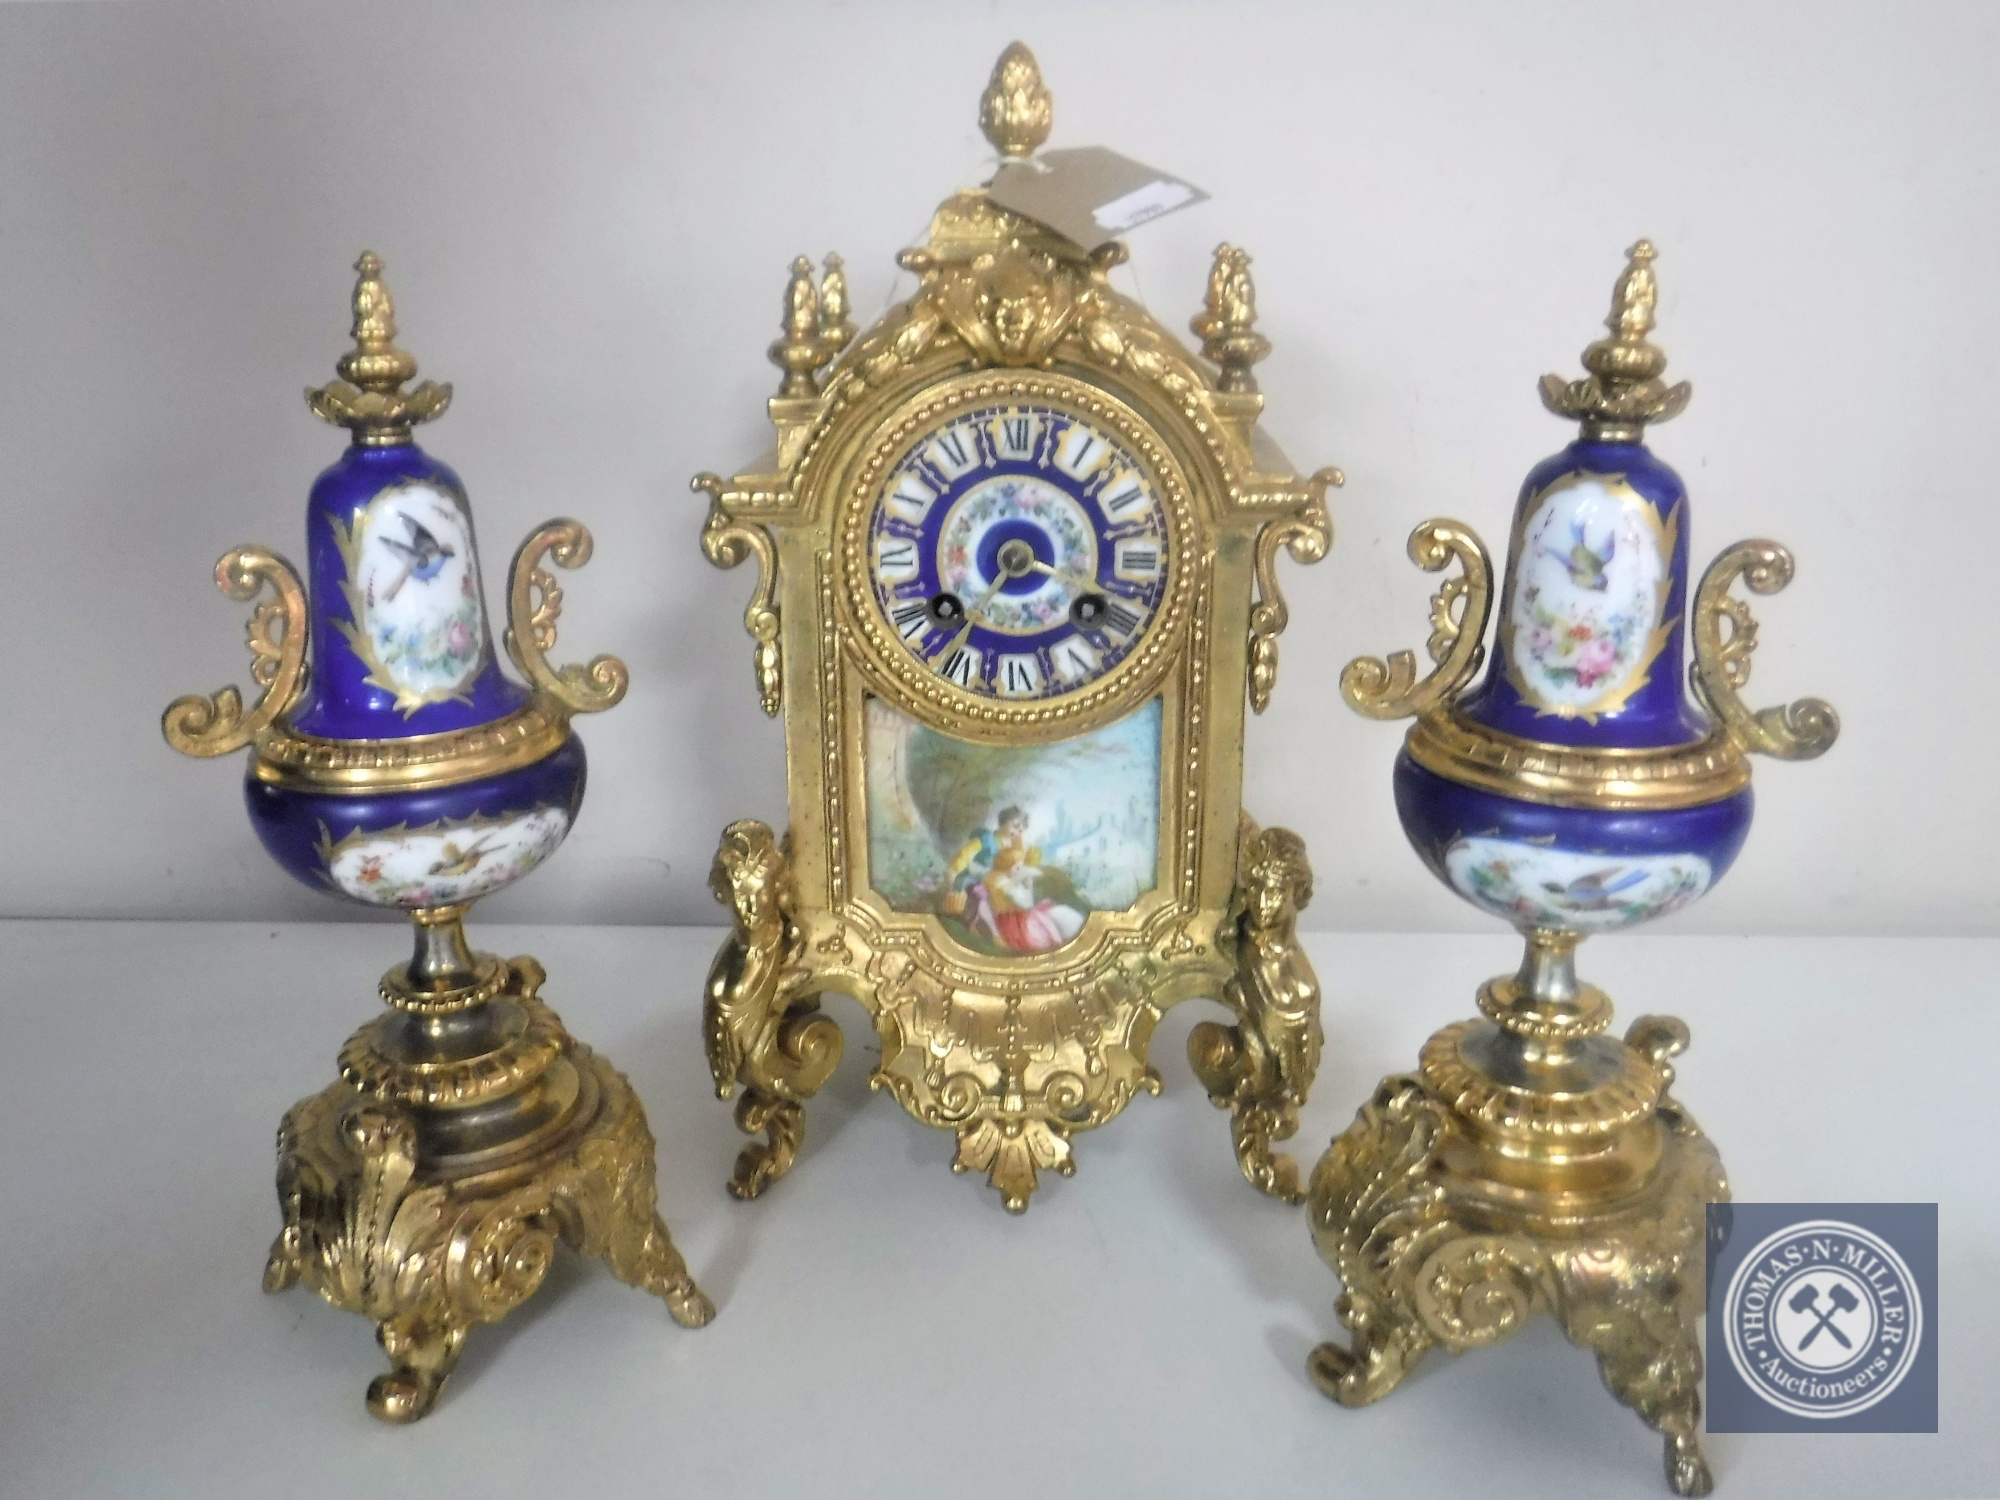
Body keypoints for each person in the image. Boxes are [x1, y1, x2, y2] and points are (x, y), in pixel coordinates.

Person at [943, 805, 1085, 953]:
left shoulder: (1015, 843)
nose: (1017, 832)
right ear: (1003, 822)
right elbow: (962, 857)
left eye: (1021, 829)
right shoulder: (986, 840)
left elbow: (1025, 860)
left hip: (1002, 880)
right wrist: (952, 878)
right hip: (979, 878)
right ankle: (993, 932)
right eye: (1015, 826)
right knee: (983, 897)